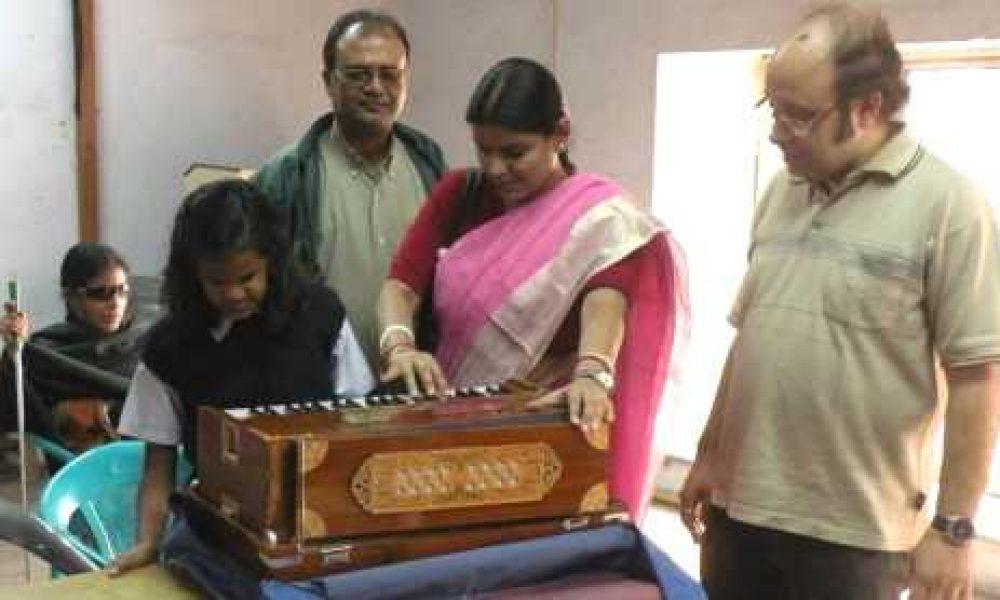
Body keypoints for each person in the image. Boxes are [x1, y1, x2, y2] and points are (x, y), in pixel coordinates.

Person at [679, 3, 1000, 598]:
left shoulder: (950, 208)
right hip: (739, 514)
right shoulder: (781, 190)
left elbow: (979, 380)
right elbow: (750, 335)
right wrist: (708, 453)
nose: (778, 131)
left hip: (853, 539)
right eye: (772, 110)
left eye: (797, 117)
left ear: (867, 109)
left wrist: (954, 531)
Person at [378, 57, 687, 521]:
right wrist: (399, 346)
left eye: (514, 152)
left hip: (542, 442)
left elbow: (608, 298)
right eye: (484, 150)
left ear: (560, 133)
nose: (496, 168)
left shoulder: (599, 220)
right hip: (447, 425)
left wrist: (592, 372)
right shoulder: (460, 193)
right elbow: (400, 286)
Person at [109, 179, 373, 575]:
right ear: (192, 276)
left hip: (321, 520)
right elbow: (158, 466)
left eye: (247, 277)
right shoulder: (170, 347)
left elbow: (360, 420)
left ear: (273, 263)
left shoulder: (320, 315)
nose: (233, 294)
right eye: (216, 282)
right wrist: (148, 543)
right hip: (221, 529)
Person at [255, 9, 446, 371]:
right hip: (318, 390)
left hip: (412, 389)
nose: (375, 87)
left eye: (390, 74)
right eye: (358, 74)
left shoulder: (429, 167)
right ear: (329, 81)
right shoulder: (286, 176)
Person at [0, 243, 143, 454]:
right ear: (72, 297)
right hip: (78, 473)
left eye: (122, 291)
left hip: (151, 463)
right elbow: (19, 404)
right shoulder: (45, 352)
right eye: (101, 293)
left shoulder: (144, 343)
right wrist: (14, 353)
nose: (115, 303)